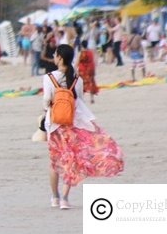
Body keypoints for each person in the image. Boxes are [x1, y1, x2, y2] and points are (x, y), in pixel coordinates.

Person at [43, 44, 123, 210]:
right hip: (72, 124)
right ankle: (65, 198)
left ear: (60, 58)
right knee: (71, 160)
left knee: (55, 162)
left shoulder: (49, 77)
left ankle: (55, 197)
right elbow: (79, 102)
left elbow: (46, 101)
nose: (54, 57)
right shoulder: (77, 79)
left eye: (55, 54)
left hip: (55, 125)